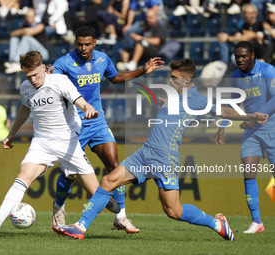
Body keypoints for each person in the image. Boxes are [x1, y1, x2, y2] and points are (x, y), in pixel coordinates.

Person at [52, 58, 268, 240]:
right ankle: (80, 227)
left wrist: (249, 116)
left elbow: (223, 111)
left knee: (174, 211)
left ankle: (217, 224)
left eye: (174, 78)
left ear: (186, 80)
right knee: (108, 181)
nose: (170, 80)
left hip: (165, 159)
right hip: (145, 153)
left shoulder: (196, 99)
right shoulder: (174, 96)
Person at [0, 51, 119, 234]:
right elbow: (24, 108)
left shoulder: (59, 81)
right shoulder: (25, 87)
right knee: (23, 176)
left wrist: (88, 107)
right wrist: (11, 134)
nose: (33, 79)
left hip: (68, 142)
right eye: (29, 76)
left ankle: (112, 206)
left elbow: (79, 101)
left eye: (36, 74)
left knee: (99, 196)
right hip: (42, 143)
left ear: (44, 68)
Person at [50, 25, 167, 234]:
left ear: (95, 43)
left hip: (98, 123)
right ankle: (59, 207)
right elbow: (51, 86)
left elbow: (115, 77)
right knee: (69, 173)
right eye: (79, 44)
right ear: (75, 43)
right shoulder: (64, 63)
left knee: (115, 167)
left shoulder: (103, 59)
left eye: (87, 44)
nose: (83, 48)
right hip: (74, 125)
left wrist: (142, 70)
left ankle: (120, 217)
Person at [215, 41, 275, 234]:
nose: (239, 60)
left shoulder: (267, 70)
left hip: (272, 129)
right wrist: (223, 126)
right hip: (251, 132)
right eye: (236, 56)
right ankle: (256, 222)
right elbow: (233, 104)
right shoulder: (236, 76)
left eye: (243, 56)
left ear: (252, 55)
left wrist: (256, 118)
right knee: (249, 173)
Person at [4, 7, 49, 74]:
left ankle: (17, 62)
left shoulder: (40, 24)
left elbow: (29, 32)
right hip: (31, 54)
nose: (29, 18)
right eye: (27, 16)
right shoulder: (24, 25)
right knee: (14, 39)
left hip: (43, 54)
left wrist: (23, 31)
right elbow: (12, 34)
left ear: (35, 16)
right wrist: (24, 31)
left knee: (26, 38)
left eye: (31, 16)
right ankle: (12, 61)